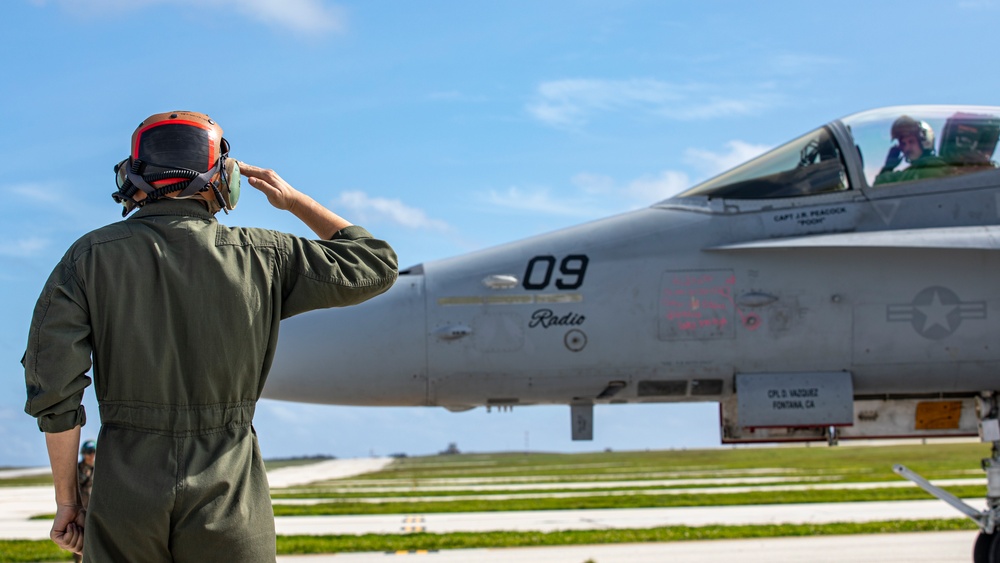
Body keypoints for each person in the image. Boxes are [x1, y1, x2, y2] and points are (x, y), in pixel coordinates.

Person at [22, 111, 398, 561]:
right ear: (224, 178)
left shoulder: (88, 258)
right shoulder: (265, 254)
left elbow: (54, 385)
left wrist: (70, 501)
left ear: (134, 178)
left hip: (125, 489)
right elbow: (375, 264)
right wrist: (293, 200)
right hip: (229, 487)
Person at [874, 115, 949, 185]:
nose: (907, 148)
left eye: (911, 142)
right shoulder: (912, 172)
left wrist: (888, 168)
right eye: (903, 144)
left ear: (925, 142)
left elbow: (878, 187)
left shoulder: (930, 171)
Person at [72, 440, 95, 563]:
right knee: (79, 539)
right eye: (89, 452)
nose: (91, 456)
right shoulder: (77, 469)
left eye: (93, 452)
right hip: (81, 509)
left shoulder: (98, 469)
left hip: (93, 509)